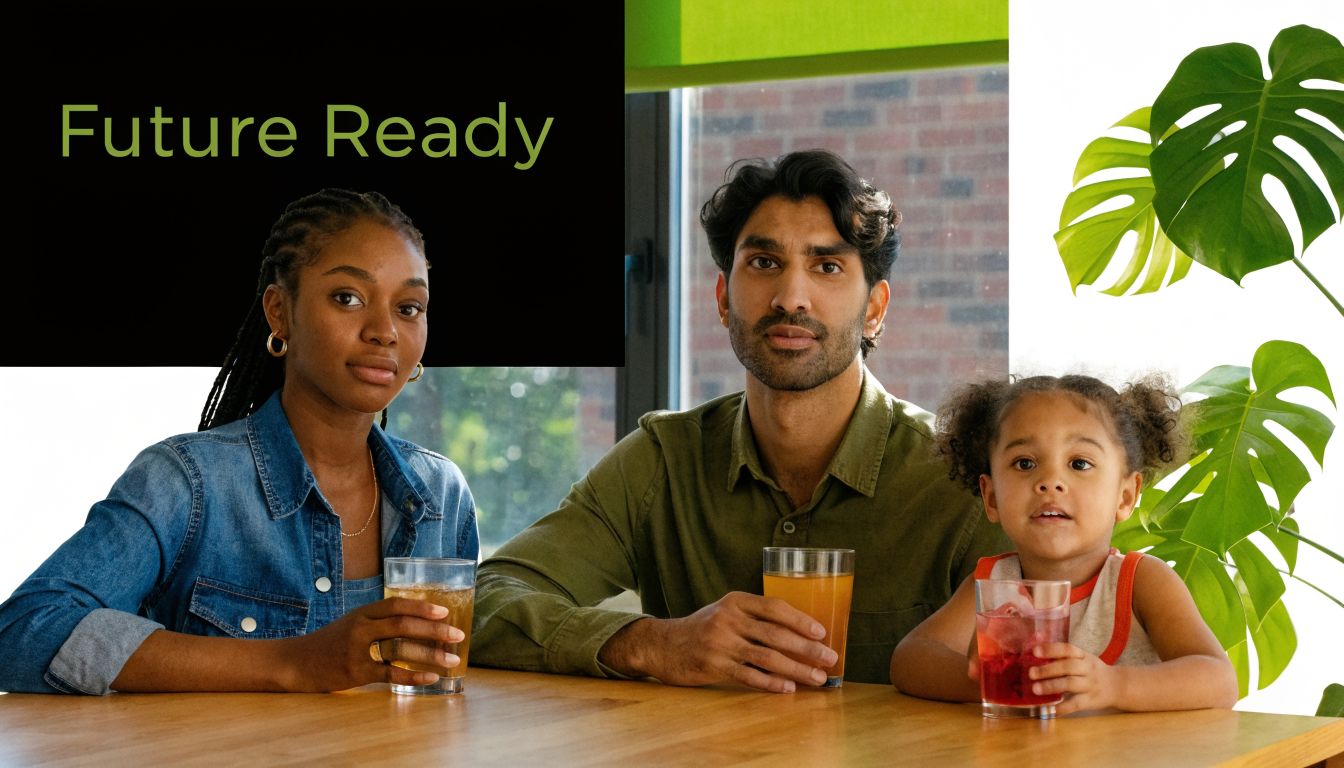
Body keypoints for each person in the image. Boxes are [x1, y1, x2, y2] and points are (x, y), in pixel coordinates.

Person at [471, 149, 1011, 691]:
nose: (790, 297)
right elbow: (487, 600)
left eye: (826, 267)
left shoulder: (963, 483)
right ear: (725, 297)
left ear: (874, 308)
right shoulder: (661, 462)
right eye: (764, 263)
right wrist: (656, 644)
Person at [0, 188, 479, 694]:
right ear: (279, 312)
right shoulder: (186, 481)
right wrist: (293, 663)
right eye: (347, 298)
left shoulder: (440, 495)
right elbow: (23, 630)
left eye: (409, 308)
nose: (384, 331)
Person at [889, 373, 1239, 714]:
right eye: (1024, 463)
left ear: (1125, 496)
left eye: (1079, 463)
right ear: (991, 497)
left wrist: (1114, 685)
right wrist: (984, 681)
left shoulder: (1141, 582)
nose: (1050, 481)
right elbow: (910, 659)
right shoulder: (994, 583)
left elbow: (1219, 679)